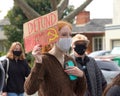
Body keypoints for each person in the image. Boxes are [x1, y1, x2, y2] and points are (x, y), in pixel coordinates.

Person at [24, 21, 87, 96]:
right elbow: (29, 90)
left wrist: (81, 76)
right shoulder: (44, 60)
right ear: (53, 37)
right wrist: (38, 63)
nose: (68, 38)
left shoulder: (70, 60)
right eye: (64, 35)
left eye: (70, 35)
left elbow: (79, 92)